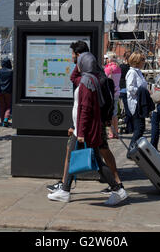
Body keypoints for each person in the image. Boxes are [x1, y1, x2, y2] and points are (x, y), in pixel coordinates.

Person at [47, 52, 128, 206]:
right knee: (73, 158)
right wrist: (79, 65)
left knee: (96, 162)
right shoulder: (91, 79)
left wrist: (81, 132)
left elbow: (85, 109)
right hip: (84, 128)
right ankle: (65, 190)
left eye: (79, 62)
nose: (77, 65)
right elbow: (73, 78)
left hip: (85, 129)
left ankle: (118, 190)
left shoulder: (86, 83)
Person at [125, 52, 154, 157]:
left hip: (140, 102)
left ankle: (134, 149)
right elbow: (130, 87)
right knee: (139, 128)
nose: (144, 62)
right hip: (136, 103)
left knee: (141, 128)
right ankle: (131, 149)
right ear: (137, 61)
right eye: (142, 59)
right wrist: (142, 91)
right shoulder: (132, 73)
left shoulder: (138, 72)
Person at [104, 52, 121, 139]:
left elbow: (103, 80)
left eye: (106, 58)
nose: (105, 60)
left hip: (110, 93)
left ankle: (111, 132)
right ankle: (116, 132)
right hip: (117, 92)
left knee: (110, 113)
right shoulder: (118, 68)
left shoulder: (108, 68)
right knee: (115, 113)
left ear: (110, 59)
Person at [119, 51, 133, 134]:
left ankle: (129, 127)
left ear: (125, 58)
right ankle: (131, 126)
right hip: (130, 90)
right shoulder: (132, 67)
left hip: (123, 88)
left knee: (127, 109)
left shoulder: (122, 67)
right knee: (131, 109)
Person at [0, 57, 13, 127]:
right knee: (8, 106)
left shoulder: (0, 71)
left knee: (2, 106)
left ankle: (2, 121)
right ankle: (6, 119)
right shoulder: (11, 72)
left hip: (0, 90)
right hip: (8, 91)